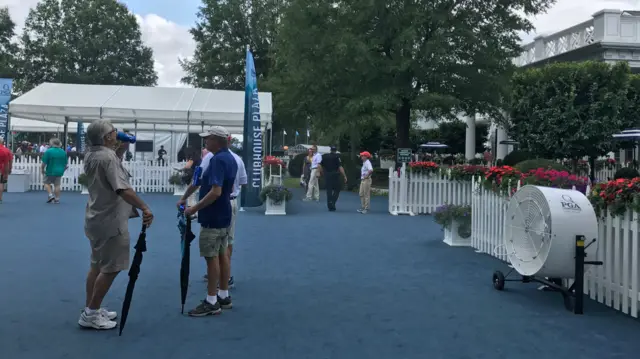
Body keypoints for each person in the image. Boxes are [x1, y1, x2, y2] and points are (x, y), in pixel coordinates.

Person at [79, 120, 154, 330]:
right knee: (112, 268)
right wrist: (144, 207)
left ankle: (91, 308)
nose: (117, 133)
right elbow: (122, 188)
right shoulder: (107, 157)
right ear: (107, 137)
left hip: (96, 217)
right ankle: (91, 313)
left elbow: (110, 170)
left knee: (96, 265)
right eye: (113, 132)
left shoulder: (93, 154)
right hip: (111, 220)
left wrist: (119, 149)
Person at [178, 126, 237, 317]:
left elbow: (215, 191)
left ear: (217, 141)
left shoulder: (218, 160)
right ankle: (223, 295)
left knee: (211, 258)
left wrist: (193, 208)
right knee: (222, 254)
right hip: (224, 214)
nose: (205, 142)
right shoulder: (229, 158)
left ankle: (212, 301)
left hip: (213, 215)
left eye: (208, 139)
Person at [41, 138, 68, 204]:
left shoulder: (49, 151)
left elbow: (44, 163)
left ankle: (51, 195)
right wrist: (62, 170)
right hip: (59, 171)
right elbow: (66, 165)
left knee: (46, 183)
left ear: (52, 143)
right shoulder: (63, 152)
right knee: (57, 185)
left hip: (50, 170)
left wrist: (42, 170)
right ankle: (57, 199)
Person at [321, 146, 347, 211]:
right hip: (335, 174)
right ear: (336, 150)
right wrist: (344, 176)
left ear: (330, 150)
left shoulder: (324, 156)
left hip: (327, 174)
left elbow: (320, 165)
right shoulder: (337, 157)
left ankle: (329, 204)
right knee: (337, 189)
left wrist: (322, 173)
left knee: (329, 190)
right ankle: (333, 201)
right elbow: (340, 167)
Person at [0, 137, 12, 204]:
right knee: (1, 183)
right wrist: (9, 170)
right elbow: (8, 162)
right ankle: (0, 198)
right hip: (2, 169)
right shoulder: (6, 150)